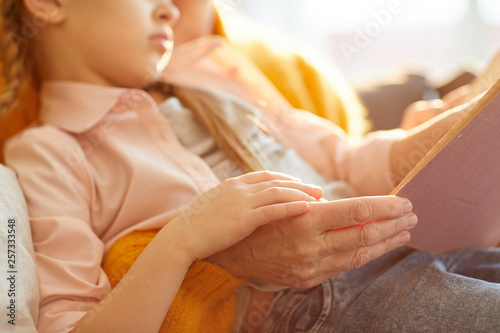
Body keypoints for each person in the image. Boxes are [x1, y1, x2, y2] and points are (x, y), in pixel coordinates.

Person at [1, 1, 500, 333]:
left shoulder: (213, 74)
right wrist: (183, 240)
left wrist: (459, 126)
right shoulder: (47, 151)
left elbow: (345, 157)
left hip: (410, 246)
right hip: (307, 301)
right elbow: (71, 324)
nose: (171, 8)